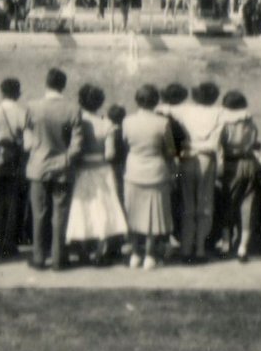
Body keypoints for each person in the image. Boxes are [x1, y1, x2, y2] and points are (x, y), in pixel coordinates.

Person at [24, 67, 83, 271]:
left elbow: (27, 134)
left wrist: (34, 149)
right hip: (63, 168)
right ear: (63, 86)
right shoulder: (73, 109)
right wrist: (66, 160)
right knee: (60, 215)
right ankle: (59, 258)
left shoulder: (32, 106)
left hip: (38, 167)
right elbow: (77, 144)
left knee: (39, 214)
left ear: (46, 83)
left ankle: (39, 257)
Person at [65, 84, 128, 264]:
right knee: (103, 209)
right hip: (102, 170)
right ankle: (101, 251)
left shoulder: (77, 121)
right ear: (99, 103)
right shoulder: (107, 124)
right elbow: (110, 154)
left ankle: (84, 251)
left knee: (83, 209)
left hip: (82, 169)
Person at [122, 84, 177, 269]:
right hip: (156, 170)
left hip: (134, 170)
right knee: (153, 215)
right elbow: (170, 151)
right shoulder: (162, 123)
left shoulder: (127, 122)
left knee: (134, 213)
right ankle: (150, 255)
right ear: (156, 102)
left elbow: (125, 144)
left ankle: (135, 254)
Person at [170, 81, 223, 262]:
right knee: (205, 205)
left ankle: (185, 248)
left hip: (187, 156)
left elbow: (165, 111)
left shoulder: (185, 110)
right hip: (207, 158)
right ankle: (200, 248)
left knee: (187, 204)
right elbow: (217, 141)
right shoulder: (219, 113)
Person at [0, 77, 29, 260]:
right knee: (13, 205)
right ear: (18, 93)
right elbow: (27, 141)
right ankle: (9, 244)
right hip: (15, 163)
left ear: (1, 92)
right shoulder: (23, 113)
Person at [217, 90, 261, 262]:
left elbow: (219, 147)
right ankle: (243, 246)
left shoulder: (225, 124)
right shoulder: (250, 123)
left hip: (231, 164)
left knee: (228, 203)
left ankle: (226, 243)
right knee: (248, 205)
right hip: (249, 163)